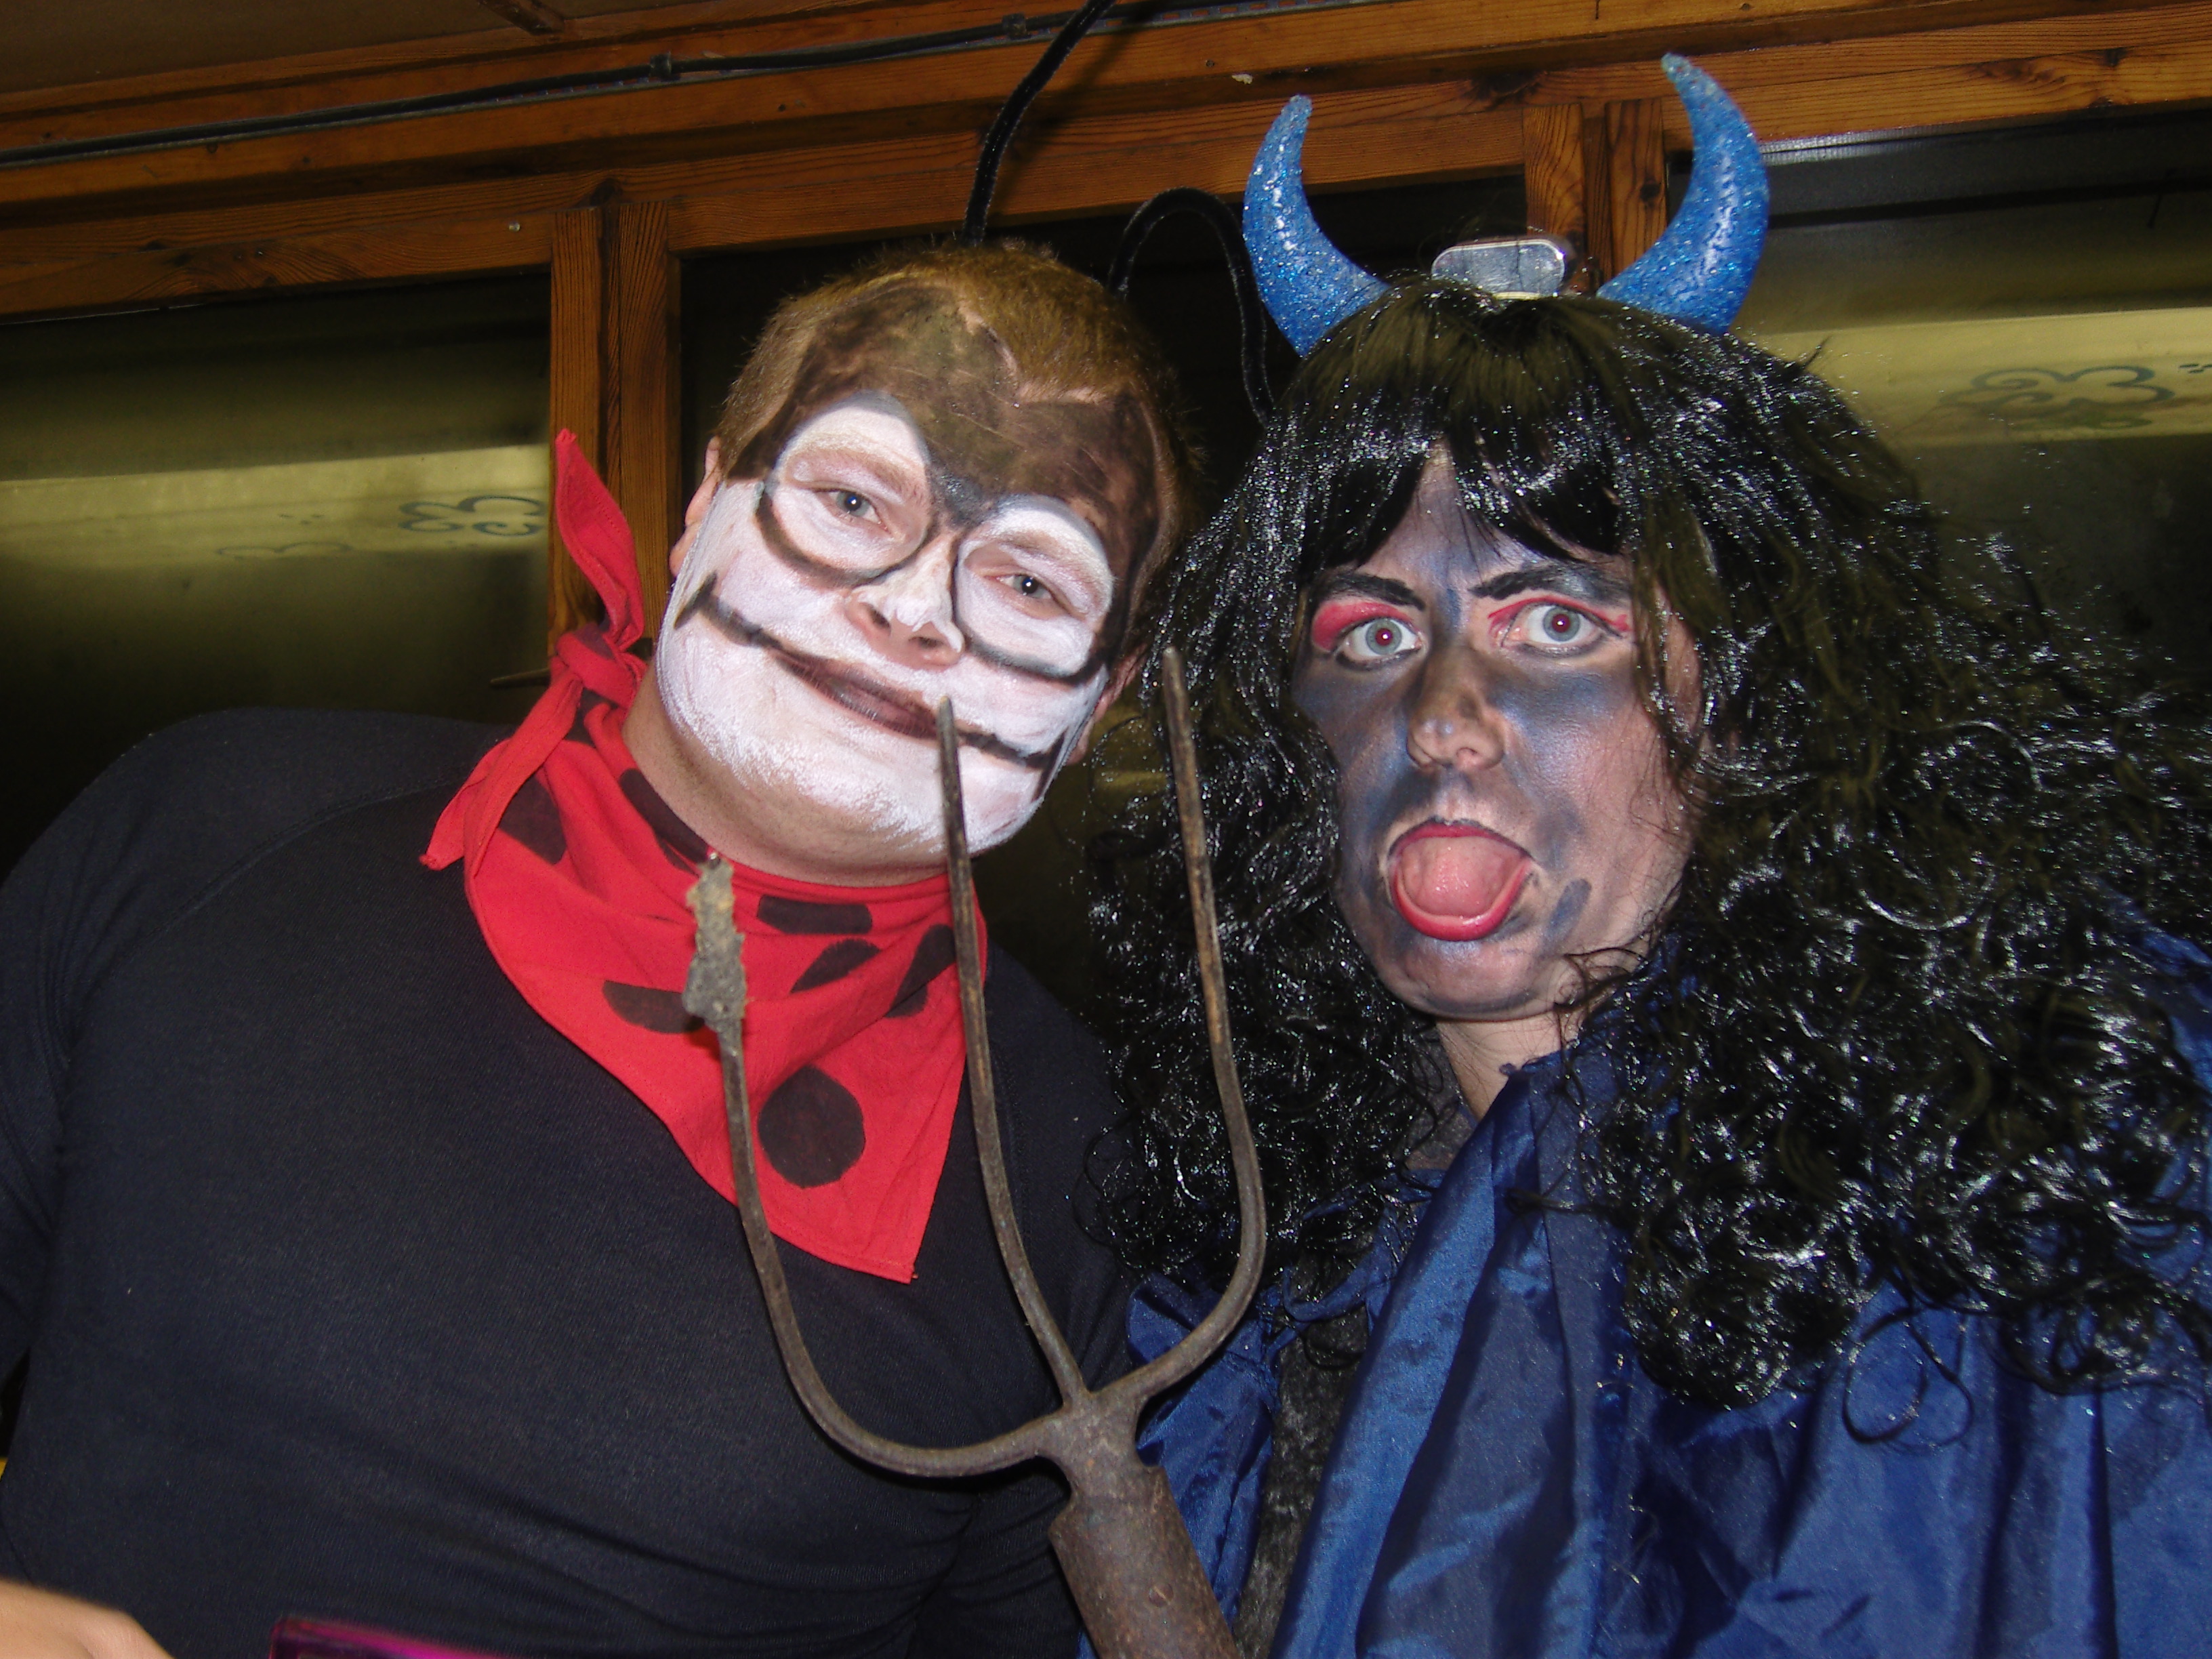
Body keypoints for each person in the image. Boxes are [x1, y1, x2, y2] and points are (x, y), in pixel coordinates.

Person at [1093, 64, 2212, 1658]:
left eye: (1557, 623)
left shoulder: (2037, 1186)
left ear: (1739, 701)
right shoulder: (1242, 1267)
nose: (1445, 720)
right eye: (1372, 635)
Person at [0, 239, 1197, 1659]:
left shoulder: (1074, 1174)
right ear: (701, 508)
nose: (913, 610)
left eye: (1032, 585)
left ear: (1104, 703)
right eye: (854, 501)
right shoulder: (210, 832)